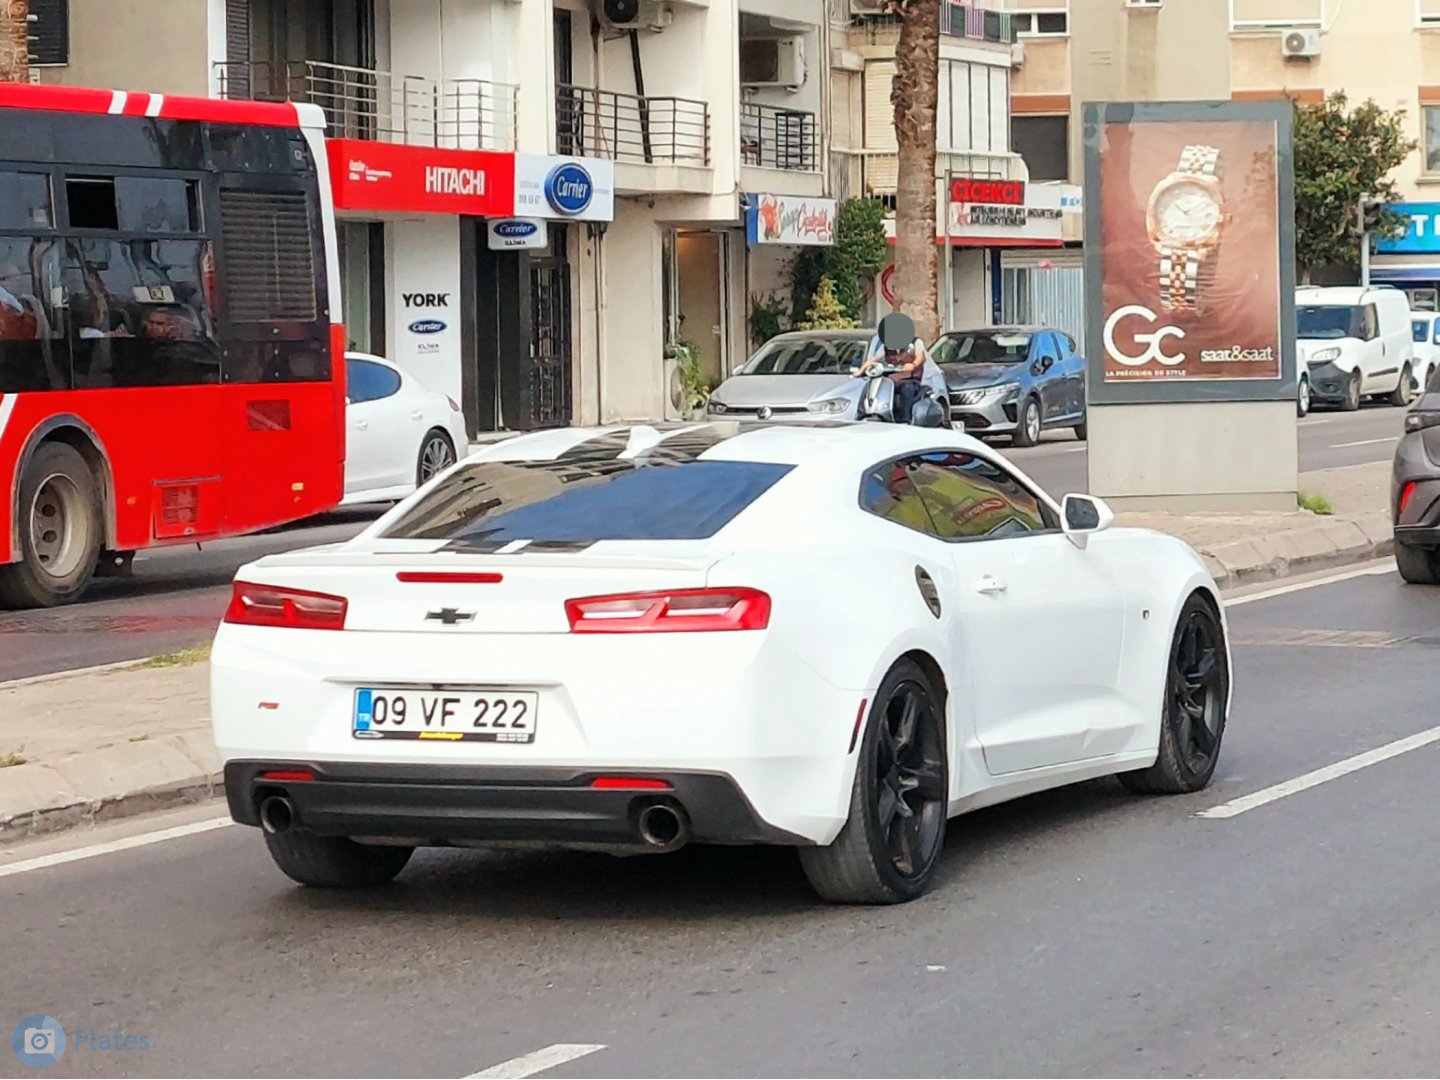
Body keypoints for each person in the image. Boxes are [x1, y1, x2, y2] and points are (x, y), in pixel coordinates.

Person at [858, 312, 928, 423]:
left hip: (910, 379)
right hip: (892, 379)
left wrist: (913, 365)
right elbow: (873, 359)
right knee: (877, 388)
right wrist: (860, 371)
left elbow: (919, 358)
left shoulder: (916, 342)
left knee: (907, 390)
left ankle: (906, 419)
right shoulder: (887, 345)